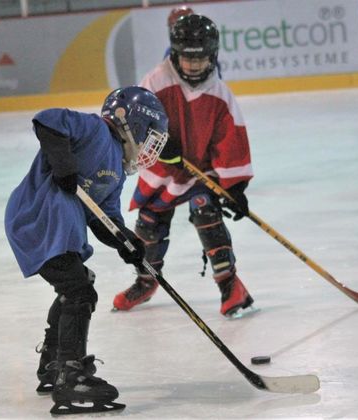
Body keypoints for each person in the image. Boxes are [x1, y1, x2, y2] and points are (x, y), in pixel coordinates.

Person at [4, 86, 168, 415]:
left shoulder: (118, 171)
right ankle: (71, 376)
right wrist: (63, 163)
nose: (150, 148)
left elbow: (104, 218)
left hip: (58, 230)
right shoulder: (95, 130)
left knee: (77, 284)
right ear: (131, 123)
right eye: (150, 136)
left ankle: (54, 365)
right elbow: (48, 120)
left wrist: (127, 243)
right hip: (38, 219)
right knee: (79, 291)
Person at [113, 15, 254, 318]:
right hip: (163, 169)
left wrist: (236, 188)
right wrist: (160, 145)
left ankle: (230, 285)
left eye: (200, 58)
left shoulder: (219, 94)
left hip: (200, 170)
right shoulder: (155, 81)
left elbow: (230, 139)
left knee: (206, 209)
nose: (192, 65)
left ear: (212, 55)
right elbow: (134, 125)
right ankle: (146, 279)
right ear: (175, 54)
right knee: (149, 222)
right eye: (186, 58)